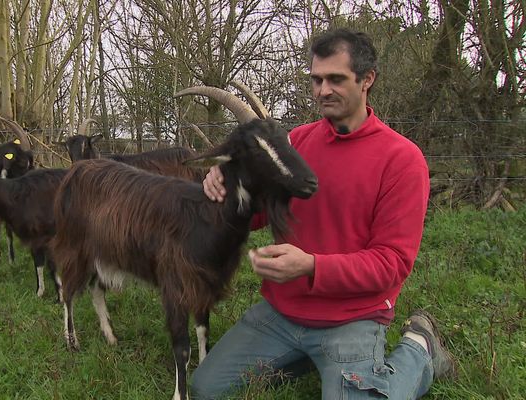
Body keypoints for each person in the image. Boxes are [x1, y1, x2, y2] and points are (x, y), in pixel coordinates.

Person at [190, 28, 455, 399]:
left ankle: (419, 348)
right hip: (283, 311)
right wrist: (228, 187)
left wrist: (312, 266)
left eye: (336, 79)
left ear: (367, 80)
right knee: (205, 388)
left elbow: (392, 263)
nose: (322, 90)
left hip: (353, 318)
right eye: (316, 79)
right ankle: (311, 360)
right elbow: (259, 214)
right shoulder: (296, 141)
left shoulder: (402, 160)